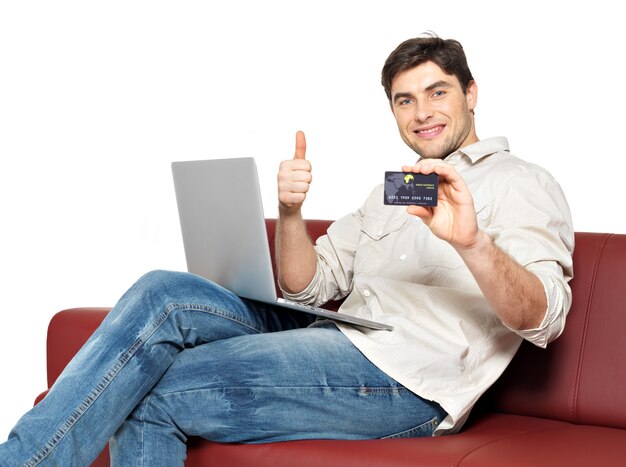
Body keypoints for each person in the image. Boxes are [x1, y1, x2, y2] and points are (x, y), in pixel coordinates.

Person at [0, 34, 574, 466]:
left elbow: (543, 318)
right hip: (335, 337)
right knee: (162, 291)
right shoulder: (395, 190)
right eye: (404, 100)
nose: (422, 112)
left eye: (437, 92)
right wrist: (292, 212)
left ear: (471, 93)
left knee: (157, 388)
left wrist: (472, 242)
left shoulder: (521, 182)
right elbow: (309, 286)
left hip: (408, 381)